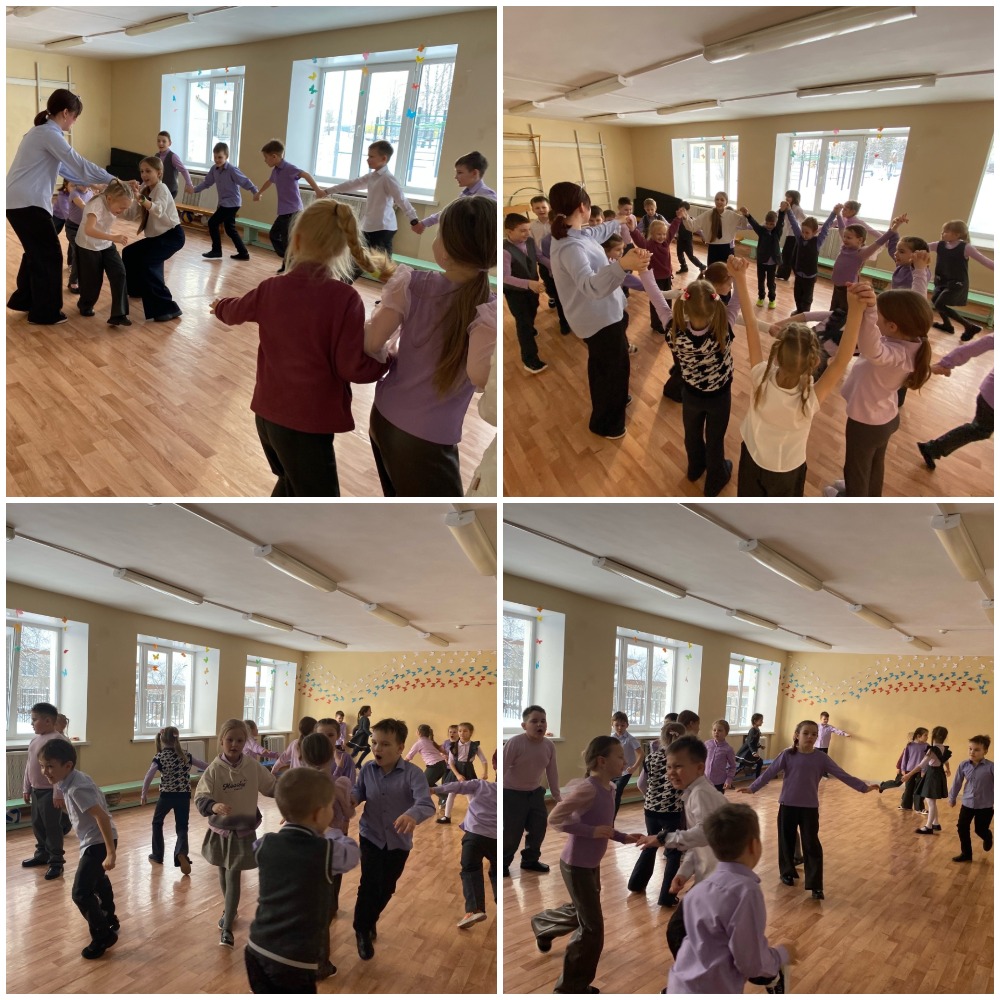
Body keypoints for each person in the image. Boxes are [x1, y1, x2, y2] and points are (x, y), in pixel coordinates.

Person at [210, 198, 391, 496]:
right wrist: (387, 361)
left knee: (291, 486)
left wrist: (219, 305)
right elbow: (353, 368)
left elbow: (234, 311)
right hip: (307, 425)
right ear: (344, 248)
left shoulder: (271, 288)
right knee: (319, 501)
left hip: (267, 417)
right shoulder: (345, 299)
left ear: (295, 240)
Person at [364, 196, 496, 496]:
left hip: (383, 417)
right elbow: (480, 375)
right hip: (427, 438)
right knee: (447, 519)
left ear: (445, 252)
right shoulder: (487, 310)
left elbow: (372, 341)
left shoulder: (411, 283)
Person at [530, 736, 640, 993]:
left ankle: (543, 925)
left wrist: (623, 837)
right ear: (602, 761)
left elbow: (604, 826)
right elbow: (555, 819)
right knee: (592, 928)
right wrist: (590, 831)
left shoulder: (610, 788)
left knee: (580, 912)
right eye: (620, 756)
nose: (625, 760)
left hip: (591, 864)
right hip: (575, 865)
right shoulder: (588, 789)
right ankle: (570, 989)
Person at [547, 181, 651, 440]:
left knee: (608, 366)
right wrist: (623, 265)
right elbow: (590, 286)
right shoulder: (570, 247)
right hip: (598, 321)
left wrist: (621, 220)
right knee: (611, 370)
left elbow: (599, 231)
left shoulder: (576, 235)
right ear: (583, 207)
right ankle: (607, 424)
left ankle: (616, 399)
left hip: (606, 315)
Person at [245, 767, 359, 992]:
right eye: (330, 807)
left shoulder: (264, 843)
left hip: (257, 948)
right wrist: (332, 832)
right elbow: (352, 854)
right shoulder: (326, 850)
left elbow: (257, 849)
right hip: (294, 960)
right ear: (318, 814)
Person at [6, 88, 114, 325]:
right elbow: (79, 163)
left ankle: (25, 300)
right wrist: (113, 180)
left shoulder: (40, 132)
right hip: (27, 203)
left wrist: (95, 183)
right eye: (75, 117)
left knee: (36, 253)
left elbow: (66, 169)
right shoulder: (49, 134)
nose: (74, 122)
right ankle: (45, 313)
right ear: (66, 113)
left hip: (18, 202)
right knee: (50, 255)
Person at [739, 719, 877, 900]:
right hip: (787, 805)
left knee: (811, 845)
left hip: (809, 808)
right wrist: (752, 788)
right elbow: (770, 773)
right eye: (806, 733)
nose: (810, 737)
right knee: (786, 841)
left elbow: (841, 774)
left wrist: (863, 787)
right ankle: (787, 872)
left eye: (814, 734)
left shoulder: (821, 758)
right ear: (797, 735)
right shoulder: (787, 754)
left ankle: (815, 885)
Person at [665, 804, 794, 994]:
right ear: (754, 845)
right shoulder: (746, 892)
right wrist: (781, 955)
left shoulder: (695, 892)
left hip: (678, 987)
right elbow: (751, 963)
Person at [823, 287, 933, 497]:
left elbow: (871, 348)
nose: (874, 322)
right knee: (874, 463)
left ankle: (854, 500)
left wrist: (870, 310)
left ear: (892, 326)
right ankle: (871, 494)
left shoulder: (895, 354)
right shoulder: (910, 343)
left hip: (867, 424)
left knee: (856, 468)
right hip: (884, 418)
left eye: (877, 319)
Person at [640, 269, 736, 495]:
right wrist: (738, 276)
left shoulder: (673, 331)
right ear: (715, 305)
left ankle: (695, 467)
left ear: (685, 304)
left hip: (691, 393)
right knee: (715, 438)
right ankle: (716, 477)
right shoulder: (723, 328)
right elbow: (737, 304)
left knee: (691, 433)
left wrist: (644, 270)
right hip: (719, 396)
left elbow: (657, 298)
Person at [351, 718, 435, 960]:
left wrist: (412, 814)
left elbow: (426, 804)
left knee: (387, 887)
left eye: (385, 744)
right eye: (374, 743)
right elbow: (359, 791)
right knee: (369, 884)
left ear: (400, 748)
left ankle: (370, 919)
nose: (377, 748)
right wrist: (352, 798)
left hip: (399, 842)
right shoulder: (367, 769)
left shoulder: (414, 774)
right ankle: (362, 930)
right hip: (370, 835)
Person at [194, 719, 277, 948]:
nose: (234, 744)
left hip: (242, 831)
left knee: (233, 876)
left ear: (245, 742)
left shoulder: (252, 766)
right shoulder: (214, 769)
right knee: (223, 872)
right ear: (222, 741)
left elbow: (271, 786)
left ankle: (227, 928)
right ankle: (229, 910)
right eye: (230, 740)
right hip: (220, 830)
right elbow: (200, 796)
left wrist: (291, 790)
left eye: (240, 740)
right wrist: (213, 806)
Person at [38, 738, 120, 959]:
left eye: (50, 766)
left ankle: (103, 936)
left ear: (67, 766)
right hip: (94, 840)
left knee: (80, 893)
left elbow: (101, 816)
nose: (45, 771)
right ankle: (109, 918)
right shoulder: (70, 779)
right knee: (98, 880)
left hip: (98, 842)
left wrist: (111, 853)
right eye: (42, 766)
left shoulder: (76, 787)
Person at [635, 735, 727, 900]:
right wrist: (683, 873)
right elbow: (695, 842)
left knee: (687, 914)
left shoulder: (701, 793)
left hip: (721, 879)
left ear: (699, 768)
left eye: (678, 766)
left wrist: (663, 838)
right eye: (669, 766)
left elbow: (705, 834)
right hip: (709, 876)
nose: (671, 772)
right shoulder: (692, 793)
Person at [296, 731, 356, 956]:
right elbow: (349, 813)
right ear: (331, 755)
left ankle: (303, 947)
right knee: (324, 900)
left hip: (306, 848)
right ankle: (321, 958)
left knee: (308, 898)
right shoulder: (340, 784)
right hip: (330, 848)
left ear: (303, 757)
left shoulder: (300, 783)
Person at [324, 140, 418, 257]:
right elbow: (352, 184)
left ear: (383, 158)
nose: (368, 159)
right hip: (370, 225)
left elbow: (401, 199)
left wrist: (414, 220)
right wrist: (327, 191)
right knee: (362, 257)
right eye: (368, 156)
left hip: (383, 227)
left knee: (379, 261)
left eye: (371, 156)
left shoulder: (388, 178)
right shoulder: (372, 176)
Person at [627, 721, 686, 906]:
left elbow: (641, 784)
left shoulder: (651, 757)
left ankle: (636, 883)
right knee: (673, 851)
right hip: (671, 811)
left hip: (650, 809)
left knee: (651, 842)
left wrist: (650, 798)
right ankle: (667, 896)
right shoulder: (681, 760)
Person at [121, 156, 185, 322]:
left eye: (148, 171)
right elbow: (130, 215)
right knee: (129, 253)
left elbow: (158, 210)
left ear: (159, 173)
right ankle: (136, 290)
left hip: (172, 236)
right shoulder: (144, 190)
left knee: (147, 263)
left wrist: (140, 198)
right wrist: (115, 205)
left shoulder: (162, 188)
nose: (144, 175)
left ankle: (167, 309)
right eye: (142, 171)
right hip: (156, 238)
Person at [917, 334, 994, 471]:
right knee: (980, 430)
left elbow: (977, 345)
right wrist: (945, 364)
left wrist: (947, 363)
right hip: (991, 399)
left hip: (989, 394)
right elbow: (978, 345)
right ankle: (933, 448)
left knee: (980, 430)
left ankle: (933, 448)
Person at [140, 725, 208, 874]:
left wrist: (144, 794)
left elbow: (149, 776)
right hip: (183, 796)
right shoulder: (186, 755)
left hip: (166, 796)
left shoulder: (160, 757)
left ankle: (157, 855)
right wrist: (218, 767)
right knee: (182, 826)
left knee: (157, 823)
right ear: (177, 738)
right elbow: (204, 766)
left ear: (162, 739)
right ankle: (181, 853)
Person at [503, 705, 561, 877]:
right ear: (524, 725)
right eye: (534, 721)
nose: (539, 725)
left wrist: (557, 796)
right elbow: (502, 768)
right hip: (511, 794)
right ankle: (502, 863)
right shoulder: (515, 743)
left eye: (543, 721)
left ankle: (530, 860)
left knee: (538, 828)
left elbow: (552, 772)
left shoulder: (549, 746)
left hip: (535, 793)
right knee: (512, 833)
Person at [432, 775, 497, 928]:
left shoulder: (481, 785)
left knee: (470, 869)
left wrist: (434, 789)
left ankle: (474, 910)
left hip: (474, 836)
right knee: (497, 872)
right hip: (497, 839)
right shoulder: (509, 792)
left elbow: (457, 786)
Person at [253, 138, 326, 273]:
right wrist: (259, 193)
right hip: (284, 211)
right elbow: (269, 182)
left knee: (286, 240)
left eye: (266, 157)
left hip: (293, 210)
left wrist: (317, 190)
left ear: (274, 156)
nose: (265, 160)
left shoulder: (289, 168)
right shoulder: (276, 170)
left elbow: (306, 175)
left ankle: (290, 263)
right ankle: (291, 260)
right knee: (274, 235)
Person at [21, 701, 72, 880]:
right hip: (36, 791)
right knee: (37, 824)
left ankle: (56, 861)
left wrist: (58, 793)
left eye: (34, 719)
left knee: (52, 827)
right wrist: (26, 787)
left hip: (50, 792)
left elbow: (60, 771)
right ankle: (42, 854)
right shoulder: (35, 740)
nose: (31, 723)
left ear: (48, 721)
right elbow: (29, 766)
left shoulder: (58, 741)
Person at [74, 177, 133, 326]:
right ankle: (85, 305)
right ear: (110, 198)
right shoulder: (96, 206)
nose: (122, 211)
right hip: (88, 245)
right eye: (121, 208)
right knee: (92, 280)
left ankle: (119, 314)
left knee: (119, 272)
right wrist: (114, 237)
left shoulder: (113, 199)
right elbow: (89, 230)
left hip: (105, 243)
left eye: (125, 208)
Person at [928, 220, 994, 342]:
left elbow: (984, 261)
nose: (942, 233)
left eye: (946, 231)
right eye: (943, 231)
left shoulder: (966, 247)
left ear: (957, 234)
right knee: (935, 300)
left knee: (939, 304)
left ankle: (969, 326)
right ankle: (947, 326)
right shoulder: (939, 245)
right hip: (941, 280)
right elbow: (923, 246)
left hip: (957, 283)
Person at [191, 142, 257, 261]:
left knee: (212, 223)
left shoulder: (232, 169)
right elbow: (207, 183)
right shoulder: (214, 169)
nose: (217, 160)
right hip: (225, 203)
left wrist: (254, 191)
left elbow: (244, 181)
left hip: (232, 203)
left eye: (220, 157)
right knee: (230, 229)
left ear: (226, 157)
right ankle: (243, 253)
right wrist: (194, 189)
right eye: (215, 157)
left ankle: (216, 250)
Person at [827, 214, 902, 314]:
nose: (844, 239)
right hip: (837, 285)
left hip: (849, 288)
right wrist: (838, 215)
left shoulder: (861, 253)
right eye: (844, 237)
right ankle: (831, 320)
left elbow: (878, 243)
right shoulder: (845, 247)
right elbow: (841, 229)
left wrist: (893, 229)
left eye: (848, 237)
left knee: (844, 312)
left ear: (860, 240)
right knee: (834, 309)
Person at [503, 212, 547, 374]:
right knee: (523, 324)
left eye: (528, 229)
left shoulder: (529, 241)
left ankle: (530, 327)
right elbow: (505, 277)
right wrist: (528, 283)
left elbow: (540, 257)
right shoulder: (504, 251)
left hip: (532, 289)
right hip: (515, 293)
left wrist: (554, 267)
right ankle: (530, 361)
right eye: (522, 230)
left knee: (533, 309)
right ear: (509, 231)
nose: (527, 233)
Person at [416, 150, 496, 231]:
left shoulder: (487, 196)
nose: (456, 177)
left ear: (474, 173)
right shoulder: (465, 194)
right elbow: (450, 213)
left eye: (460, 172)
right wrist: (424, 223)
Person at [783, 202, 840, 313]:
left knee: (807, 298)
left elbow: (826, 227)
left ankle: (805, 314)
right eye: (803, 231)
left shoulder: (817, 242)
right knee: (797, 295)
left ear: (814, 232)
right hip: (799, 275)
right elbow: (794, 224)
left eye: (807, 232)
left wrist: (834, 213)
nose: (804, 234)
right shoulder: (799, 238)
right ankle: (799, 310)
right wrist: (789, 210)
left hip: (810, 277)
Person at [948, 735, 994, 863]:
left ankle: (987, 836)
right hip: (967, 803)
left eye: (976, 750)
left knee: (980, 829)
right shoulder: (963, 765)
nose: (972, 752)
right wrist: (952, 797)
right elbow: (957, 782)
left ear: (985, 751)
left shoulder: (991, 767)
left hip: (985, 805)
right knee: (962, 827)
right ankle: (966, 853)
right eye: (970, 749)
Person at [900, 726, 952, 836]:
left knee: (930, 802)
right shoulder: (944, 749)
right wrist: (948, 769)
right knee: (932, 801)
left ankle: (928, 827)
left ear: (934, 736)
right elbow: (946, 761)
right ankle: (936, 823)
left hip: (932, 775)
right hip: (939, 774)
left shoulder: (932, 750)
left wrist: (908, 774)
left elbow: (920, 765)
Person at [529, 195, 570, 332]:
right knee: (552, 290)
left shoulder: (558, 222)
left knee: (562, 293)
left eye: (543, 207)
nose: (541, 210)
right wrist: (550, 264)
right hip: (544, 262)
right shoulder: (532, 227)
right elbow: (535, 248)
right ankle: (553, 299)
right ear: (533, 209)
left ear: (549, 207)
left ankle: (565, 320)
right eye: (537, 208)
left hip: (563, 264)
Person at [680, 192, 752, 266]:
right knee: (713, 271)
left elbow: (743, 225)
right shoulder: (708, 215)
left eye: (722, 200)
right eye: (717, 199)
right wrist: (685, 218)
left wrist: (745, 214)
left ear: (726, 202)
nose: (719, 202)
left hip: (727, 249)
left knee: (727, 271)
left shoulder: (731, 215)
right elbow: (693, 226)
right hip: (713, 249)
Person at [628, 218, 674, 334]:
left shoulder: (665, 243)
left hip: (667, 277)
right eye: (659, 234)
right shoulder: (649, 245)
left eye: (664, 234)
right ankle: (656, 324)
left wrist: (678, 219)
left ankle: (668, 319)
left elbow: (672, 230)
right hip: (656, 279)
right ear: (652, 234)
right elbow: (639, 241)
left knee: (668, 299)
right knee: (656, 301)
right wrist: (633, 230)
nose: (662, 237)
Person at [440, 721, 489, 824]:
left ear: (471, 732)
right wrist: (457, 775)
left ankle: (475, 818)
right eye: (460, 731)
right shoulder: (453, 746)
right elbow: (451, 762)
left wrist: (485, 773)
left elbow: (484, 760)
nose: (462, 733)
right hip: (456, 771)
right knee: (451, 794)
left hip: (468, 770)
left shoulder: (475, 746)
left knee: (470, 795)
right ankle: (447, 816)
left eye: (465, 731)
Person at [738, 204, 785, 309]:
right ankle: (761, 297)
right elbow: (754, 224)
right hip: (761, 261)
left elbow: (781, 223)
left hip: (772, 263)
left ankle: (772, 299)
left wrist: (782, 212)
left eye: (772, 224)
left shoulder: (777, 232)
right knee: (761, 280)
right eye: (767, 223)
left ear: (775, 223)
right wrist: (747, 215)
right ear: (765, 222)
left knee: (770, 282)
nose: (769, 226)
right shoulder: (762, 231)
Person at [878, 728, 928, 811]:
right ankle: (906, 805)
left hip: (920, 771)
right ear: (918, 736)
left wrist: (923, 770)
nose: (927, 737)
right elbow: (904, 758)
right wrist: (902, 769)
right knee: (905, 786)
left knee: (918, 789)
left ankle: (919, 808)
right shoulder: (910, 746)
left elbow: (927, 760)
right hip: (908, 770)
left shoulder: (927, 746)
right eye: (925, 735)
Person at [609, 711, 644, 816]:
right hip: (613, 770)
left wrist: (634, 768)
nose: (619, 728)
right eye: (617, 725)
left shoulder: (630, 739)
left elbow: (641, 754)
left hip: (626, 771)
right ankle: (608, 814)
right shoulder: (611, 738)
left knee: (617, 791)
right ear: (612, 725)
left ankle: (612, 817)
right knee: (609, 791)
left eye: (622, 725)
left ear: (627, 725)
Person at [152, 130, 194, 199]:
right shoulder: (156, 156)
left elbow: (184, 170)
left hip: (171, 190)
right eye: (158, 141)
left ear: (170, 143)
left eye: (164, 141)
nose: (160, 143)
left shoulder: (173, 157)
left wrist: (189, 184)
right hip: (160, 189)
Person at [775, 188, 805, 281]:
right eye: (786, 196)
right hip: (790, 234)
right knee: (788, 255)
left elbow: (805, 219)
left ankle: (784, 274)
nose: (787, 198)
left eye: (789, 197)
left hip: (794, 235)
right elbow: (776, 214)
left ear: (794, 198)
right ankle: (784, 274)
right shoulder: (787, 207)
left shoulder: (798, 209)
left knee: (787, 255)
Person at [669, 202, 705, 274]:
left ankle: (702, 266)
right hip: (680, 240)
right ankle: (684, 267)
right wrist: (674, 236)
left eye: (684, 210)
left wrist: (703, 237)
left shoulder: (691, 220)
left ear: (687, 211)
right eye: (680, 209)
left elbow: (698, 230)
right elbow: (675, 229)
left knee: (691, 256)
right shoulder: (678, 220)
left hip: (687, 241)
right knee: (679, 254)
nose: (682, 211)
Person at [705, 719, 736, 792]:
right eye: (714, 730)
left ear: (726, 733)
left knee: (716, 799)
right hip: (705, 780)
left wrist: (729, 780)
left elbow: (733, 766)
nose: (716, 732)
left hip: (719, 783)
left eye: (720, 730)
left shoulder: (728, 749)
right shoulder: (707, 744)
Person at [735, 713, 766, 779]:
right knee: (742, 766)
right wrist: (753, 752)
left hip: (751, 752)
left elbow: (755, 742)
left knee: (760, 762)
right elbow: (750, 742)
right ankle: (728, 779)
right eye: (761, 720)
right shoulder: (752, 730)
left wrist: (760, 746)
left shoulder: (757, 730)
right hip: (747, 752)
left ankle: (758, 779)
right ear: (755, 721)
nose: (762, 722)